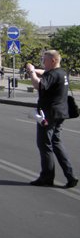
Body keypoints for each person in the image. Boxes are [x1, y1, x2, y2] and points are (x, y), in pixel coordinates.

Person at [26, 50, 77, 188]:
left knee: (44, 145)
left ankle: (47, 177)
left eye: (45, 59)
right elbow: (45, 73)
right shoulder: (61, 72)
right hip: (60, 113)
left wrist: (31, 73)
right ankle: (70, 176)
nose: (43, 62)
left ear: (53, 60)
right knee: (56, 144)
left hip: (48, 114)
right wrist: (33, 69)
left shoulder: (53, 74)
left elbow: (38, 85)